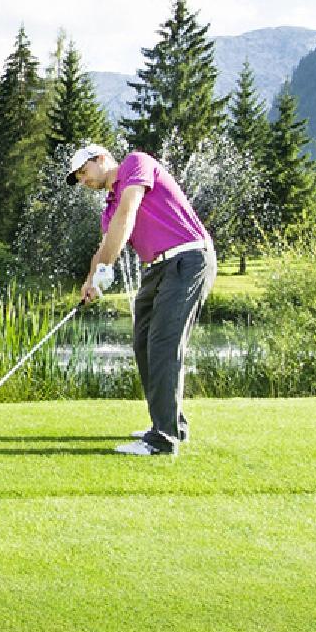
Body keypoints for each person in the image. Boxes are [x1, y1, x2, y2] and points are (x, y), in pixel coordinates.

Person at [69, 142, 215, 457]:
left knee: (163, 344)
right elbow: (105, 245)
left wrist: (105, 269)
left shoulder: (135, 163)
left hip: (188, 258)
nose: (83, 180)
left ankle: (162, 440)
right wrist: (90, 281)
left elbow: (129, 212)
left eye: (83, 171)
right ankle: (171, 423)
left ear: (101, 158)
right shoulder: (109, 207)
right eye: (78, 177)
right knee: (144, 343)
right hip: (158, 268)